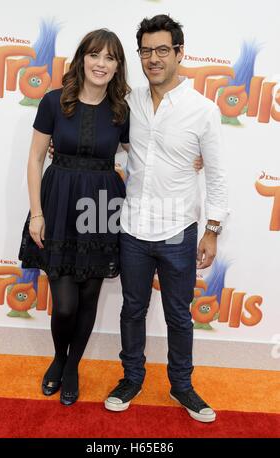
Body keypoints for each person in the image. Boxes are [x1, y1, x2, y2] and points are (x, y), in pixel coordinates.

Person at [104, 15, 228, 423]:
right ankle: (132, 378)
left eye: (162, 50)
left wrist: (212, 230)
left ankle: (182, 385)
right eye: (145, 51)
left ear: (179, 52)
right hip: (133, 228)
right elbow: (116, 146)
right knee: (132, 310)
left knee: (179, 314)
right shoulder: (130, 101)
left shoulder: (203, 110)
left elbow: (216, 174)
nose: (153, 59)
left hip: (179, 230)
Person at [18, 29, 130, 406]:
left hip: (101, 207)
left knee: (88, 297)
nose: (101, 64)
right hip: (59, 203)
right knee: (64, 303)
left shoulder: (121, 111)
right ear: (82, 58)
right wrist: (36, 214)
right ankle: (59, 357)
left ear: (117, 67)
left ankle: (70, 368)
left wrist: (188, 158)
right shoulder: (54, 101)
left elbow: (144, 153)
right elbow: (35, 158)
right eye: (95, 55)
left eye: (110, 58)